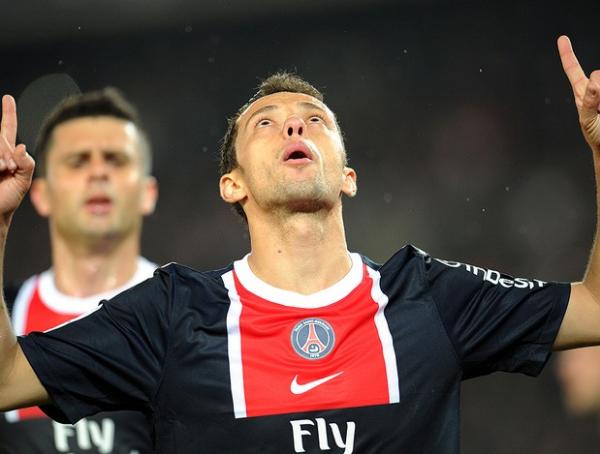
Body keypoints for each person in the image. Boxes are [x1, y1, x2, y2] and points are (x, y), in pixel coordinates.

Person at [0, 35, 598, 454]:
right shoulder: (172, 313)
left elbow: (594, 307)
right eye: (265, 123)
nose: (293, 124)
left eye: (316, 119)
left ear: (348, 176)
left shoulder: (429, 296)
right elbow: (6, 380)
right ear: (232, 185)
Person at [0, 89, 158, 453]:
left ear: (147, 192)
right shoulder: (6, 316)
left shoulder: (192, 313)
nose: (98, 172)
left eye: (116, 160)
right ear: (40, 194)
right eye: (78, 161)